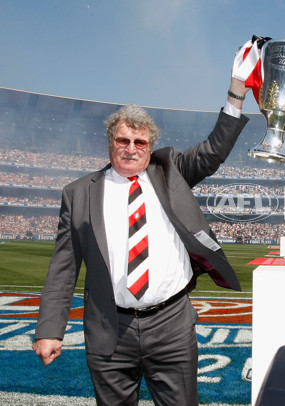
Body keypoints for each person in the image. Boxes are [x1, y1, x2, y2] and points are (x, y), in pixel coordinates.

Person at [32, 66, 251, 405]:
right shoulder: (78, 194)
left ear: (150, 147)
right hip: (109, 328)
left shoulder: (170, 172)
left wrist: (237, 89)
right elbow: (64, 266)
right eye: (123, 140)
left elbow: (213, 151)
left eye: (140, 142)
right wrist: (49, 329)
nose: (131, 148)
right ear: (110, 143)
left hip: (171, 325)